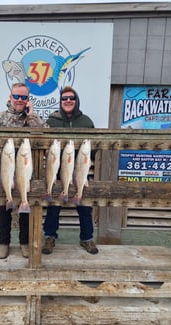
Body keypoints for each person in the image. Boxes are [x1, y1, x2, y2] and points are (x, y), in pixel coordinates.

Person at [0, 82, 48, 259]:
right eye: (17, 96)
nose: (20, 100)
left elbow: (46, 134)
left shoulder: (33, 119)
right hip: (3, 171)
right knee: (4, 210)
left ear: (28, 99)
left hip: (25, 172)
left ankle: (24, 243)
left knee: (24, 211)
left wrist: (31, 116)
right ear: (10, 97)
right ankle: (3, 243)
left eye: (24, 97)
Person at [42, 86, 99, 255]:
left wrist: (87, 157)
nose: (68, 101)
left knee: (84, 205)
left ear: (76, 101)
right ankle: (50, 237)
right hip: (59, 170)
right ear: (60, 102)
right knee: (53, 205)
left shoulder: (86, 121)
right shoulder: (52, 121)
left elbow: (94, 146)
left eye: (71, 98)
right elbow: (45, 145)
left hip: (80, 169)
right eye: (64, 98)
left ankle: (87, 238)